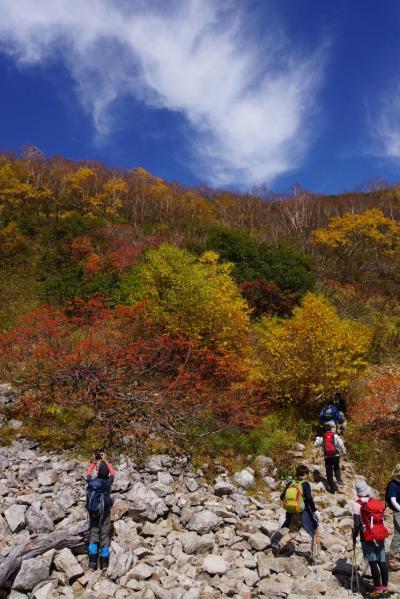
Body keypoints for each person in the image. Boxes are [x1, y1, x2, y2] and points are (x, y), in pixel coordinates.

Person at [271, 464, 320, 558]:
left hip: (291, 512)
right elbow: (309, 498)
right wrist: (315, 511)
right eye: (307, 474)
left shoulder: (290, 483)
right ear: (305, 474)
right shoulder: (305, 484)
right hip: (303, 513)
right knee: (313, 531)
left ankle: (278, 544)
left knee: (290, 530)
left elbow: (282, 497)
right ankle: (314, 557)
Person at [352, 480, 390, 598]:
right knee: (382, 562)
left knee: (373, 563)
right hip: (380, 535)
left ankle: (377, 589)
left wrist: (354, 535)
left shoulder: (356, 504)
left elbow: (357, 524)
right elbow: (382, 518)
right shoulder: (375, 501)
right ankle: (385, 589)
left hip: (367, 537)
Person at [86, 452, 116, 572]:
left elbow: (88, 473)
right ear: (106, 473)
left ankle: (92, 563)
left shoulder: (92, 482)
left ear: (98, 472)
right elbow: (113, 473)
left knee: (93, 535)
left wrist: (94, 462)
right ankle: (104, 565)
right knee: (104, 536)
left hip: (93, 513)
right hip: (104, 514)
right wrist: (106, 461)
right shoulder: (108, 482)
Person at [314, 423, 346, 494]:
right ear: (330, 429)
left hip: (327, 457)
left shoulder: (323, 437)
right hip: (336, 455)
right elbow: (341, 444)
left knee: (329, 471)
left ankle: (332, 490)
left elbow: (315, 445)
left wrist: (318, 438)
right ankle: (338, 480)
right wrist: (344, 451)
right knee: (337, 467)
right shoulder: (335, 435)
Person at [386, 464, 400, 570]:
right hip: (398, 512)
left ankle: (392, 556)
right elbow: (393, 500)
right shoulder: (393, 485)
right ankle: (391, 558)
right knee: (398, 534)